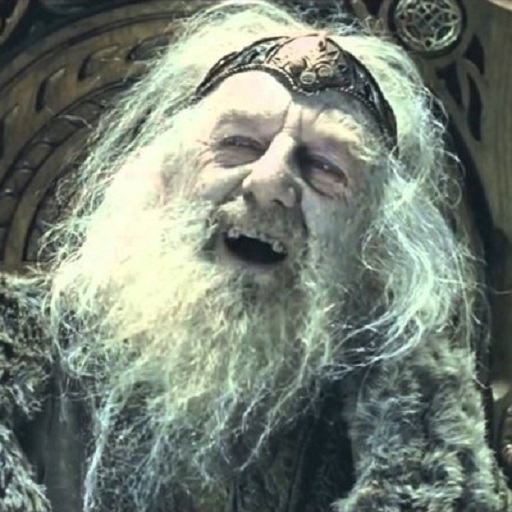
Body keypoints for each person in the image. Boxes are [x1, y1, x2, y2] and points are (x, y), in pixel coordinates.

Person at [1, 1, 510, 511]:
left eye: (325, 167)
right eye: (239, 143)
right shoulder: (22, 363)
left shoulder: (419, 436)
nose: (270, 182)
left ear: (371, 243)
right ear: (163, 176)